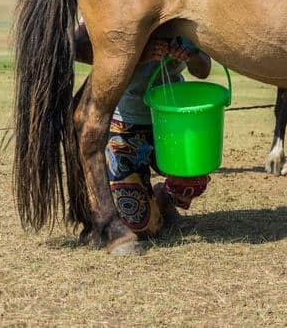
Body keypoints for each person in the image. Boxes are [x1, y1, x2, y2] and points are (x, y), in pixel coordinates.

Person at [74, 23, 213, 237]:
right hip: (126, 123)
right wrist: (139, 55)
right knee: (143, 226)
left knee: (194, 177)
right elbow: (77, 46)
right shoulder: (120, 12)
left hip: (170, 123)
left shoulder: (182, 18)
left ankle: (164, 197)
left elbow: (204, 69)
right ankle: (144, 197)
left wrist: (190, 55)